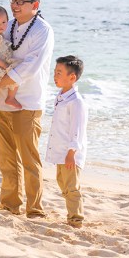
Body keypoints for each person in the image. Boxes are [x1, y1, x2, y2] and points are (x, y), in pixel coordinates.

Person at [0, 0, 55, 218]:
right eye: (12, 1)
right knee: (6, 158)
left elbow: (31, 66)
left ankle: (35, 208)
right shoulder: (7, 26)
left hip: (27, 102)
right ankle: (10, 203)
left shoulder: (42, 30)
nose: (14, 6)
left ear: (34, 5)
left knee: (29, 159)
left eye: (20, 1)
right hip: (1, 102)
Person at [46, 55, 88, 228]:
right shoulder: (61, 97)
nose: (55, 76)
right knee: (63, 184)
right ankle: (72, 215)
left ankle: (76, 219)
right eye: (54, 72)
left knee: (71, 188)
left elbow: (77, 130)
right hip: (60, 151)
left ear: (72, 77)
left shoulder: (77, 102)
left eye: (59, 73)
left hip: (70, 153)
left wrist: (71, 153)